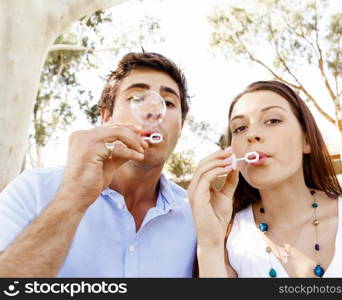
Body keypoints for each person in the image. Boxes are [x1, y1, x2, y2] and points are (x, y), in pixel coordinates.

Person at [188, 80, 342, 277]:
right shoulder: (227, 241)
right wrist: (210, 244)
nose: (251, 134)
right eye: (239, 128)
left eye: (272, 120)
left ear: (307, 141)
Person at [0, 52, 197, 277]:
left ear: (181, 126)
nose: (152, 113)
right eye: (137, 99)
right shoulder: (33, 190)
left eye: (168, 103)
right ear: (106, 117)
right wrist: (72, 198)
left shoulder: (196, 217)